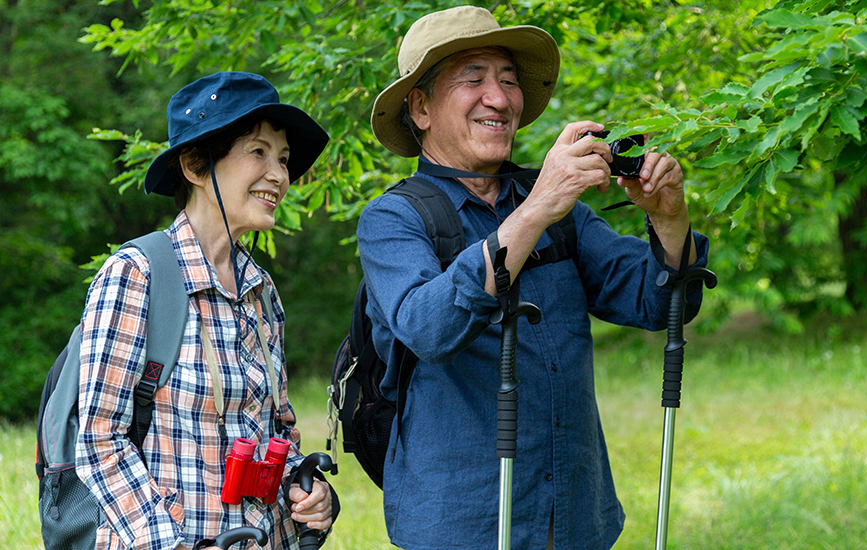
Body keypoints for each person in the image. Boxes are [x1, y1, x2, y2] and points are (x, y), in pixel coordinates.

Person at [358, 6, 710, 550]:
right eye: (473, 79)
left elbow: (657, 303)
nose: (498, 98)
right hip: (461, 524)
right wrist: (536, 209)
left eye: (508, 80)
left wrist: (669, 220)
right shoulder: (394, 219)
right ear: (421, 107)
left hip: (575, 517)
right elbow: (428, 330)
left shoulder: (560, 211)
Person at [75, 71, 338, 550]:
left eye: (282, 159)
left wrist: (308, 492)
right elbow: (99, 442)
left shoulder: (262, 292)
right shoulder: (137, 275)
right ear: (196, 165)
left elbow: (276, 428)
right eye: (258, 152)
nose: (279, 175)